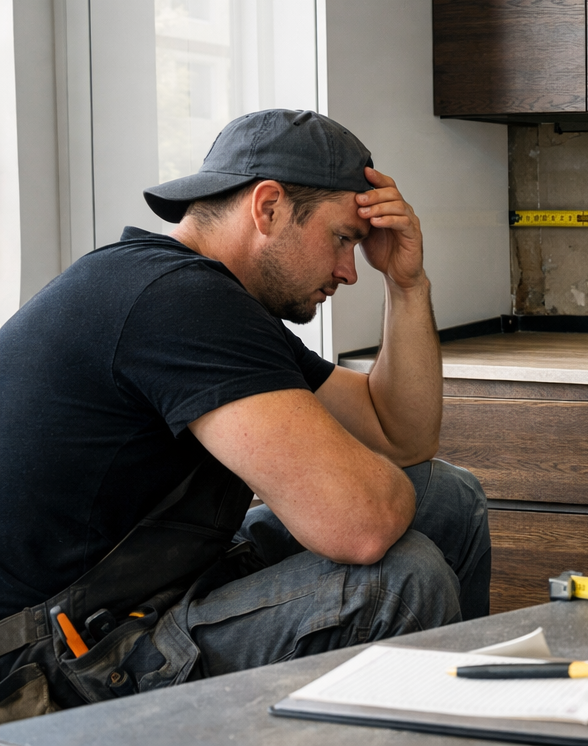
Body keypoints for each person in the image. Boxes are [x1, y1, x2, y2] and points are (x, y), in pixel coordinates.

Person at [0, 109, 489, 719]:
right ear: (268, 208)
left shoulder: (204, 296)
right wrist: (341, 483)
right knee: (399, 580)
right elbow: (360, 526)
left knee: (449, 497)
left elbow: (402, 434)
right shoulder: (177, 300)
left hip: (139, 597)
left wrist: (408, 286)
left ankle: (467, 720)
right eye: (343, 238)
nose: (348, 271)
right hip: (50, 662)